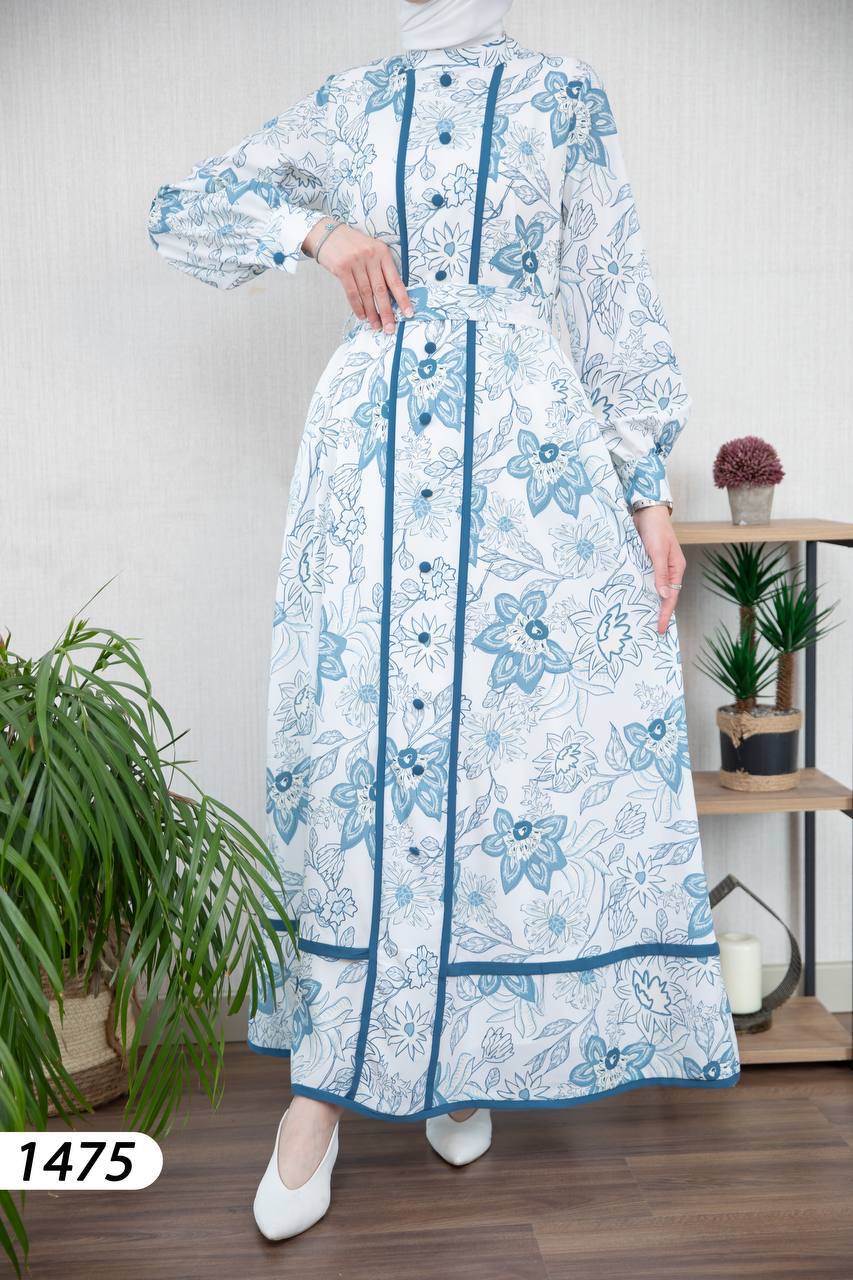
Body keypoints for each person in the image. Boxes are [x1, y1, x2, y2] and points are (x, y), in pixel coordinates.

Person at [147, 0, 741, 1242]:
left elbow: (610, 291)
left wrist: (645, 491)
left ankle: (461, 1055)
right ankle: (317, 1094)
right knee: (363, 744)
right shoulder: (351, 101)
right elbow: (182, 209)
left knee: (507, 749)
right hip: (374, 452)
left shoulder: (563, 93)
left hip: (531, 456)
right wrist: (320, 230)